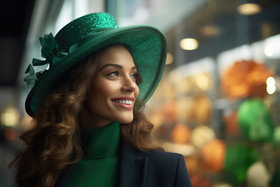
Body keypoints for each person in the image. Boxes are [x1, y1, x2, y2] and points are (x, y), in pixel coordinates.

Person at [9, 12, 192, 187]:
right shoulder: (42, 167)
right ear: (78, 85)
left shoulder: (167, 170)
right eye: (113, 73)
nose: (132, 86)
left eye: (133, 75)